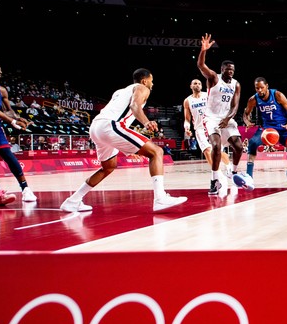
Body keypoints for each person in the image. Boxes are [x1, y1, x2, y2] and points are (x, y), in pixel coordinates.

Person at [59, 68, 187, 212]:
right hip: (110, 125)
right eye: (151, 81)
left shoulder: (119, 91)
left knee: (108, 167)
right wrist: (146, 122)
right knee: (156, 152)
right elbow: (134, 106)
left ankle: (73, 200)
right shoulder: (142, 88)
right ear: (145, 80)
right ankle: (160, 198)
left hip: (97, 127)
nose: (152, 84)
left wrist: (127, 146)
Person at [196, 33, 250, 195]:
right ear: (222, 70)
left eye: (232, 70)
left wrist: (228, 118)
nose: (231, 72)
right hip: (211, 118)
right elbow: (200, 65)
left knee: (239, 147)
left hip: (227, 118)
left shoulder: (236, 84)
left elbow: (235, 105)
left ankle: (232, 173)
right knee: (216, 147)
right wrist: (203, 50)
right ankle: (214, 181)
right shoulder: (213, 78)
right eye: (228, 69)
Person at [242, 77, 287, 189]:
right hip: (267, 128)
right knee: (253, 142)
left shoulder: (277, 95)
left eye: (262, 87)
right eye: (257, 88)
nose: (259, 90)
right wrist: (247, 122)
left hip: (284, 127)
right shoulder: (253, 99)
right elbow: (246, 113)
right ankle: (249, 177)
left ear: (267, 86)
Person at [0, 63, 36, 205]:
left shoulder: (2, 90)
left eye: (0, 68)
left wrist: (18, 118)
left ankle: (25, 189)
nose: (0, 71)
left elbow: (8, 110)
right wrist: (12, 121)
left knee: (8, 155)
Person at [182, 78, 233, 185]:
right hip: (199, 128)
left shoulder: (207, 95)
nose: (197, 85)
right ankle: (217, 174)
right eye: (195, 83)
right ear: (191, 86)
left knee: (217, 150)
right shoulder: (187, 101)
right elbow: (187, 119)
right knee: (206, 151)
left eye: (199, 83)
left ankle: (229, 166)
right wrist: (187, 128)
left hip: (212, 125)